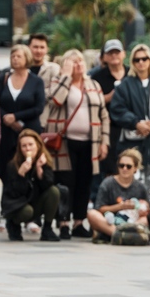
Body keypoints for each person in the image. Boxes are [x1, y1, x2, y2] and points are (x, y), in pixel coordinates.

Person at [45, 48, 110, 239]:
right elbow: (56, 100)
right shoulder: (58, 82)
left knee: (84, 184)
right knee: (66, 184)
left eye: (80, 61)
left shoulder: (93, 84)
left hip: (90, 142)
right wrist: (65, 76)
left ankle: (79, 222)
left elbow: (103, 115)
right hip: (64, 142)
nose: (79, 65)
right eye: (73, 62)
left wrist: (104, 142)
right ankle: (63, 222)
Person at [108, 42, 150, 198]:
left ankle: (145, 215)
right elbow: (117, 109)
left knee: (149, 185)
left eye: (144, 59)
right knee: (130, 182)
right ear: (132, 62)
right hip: (131, 143)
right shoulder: (124, 86)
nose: (141, 62)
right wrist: (136, 123)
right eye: (137, 60)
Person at [0, 44, 46, 180]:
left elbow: (39, 107)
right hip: (6, 132)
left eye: (19, 56)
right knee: (5, 171)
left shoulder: (36, 81)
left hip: (29, 130)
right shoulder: (4, 78)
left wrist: (16, 117)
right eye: (13, 56)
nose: (15, 59)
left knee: (29, 170)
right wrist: (7, 119)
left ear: (27, 58)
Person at [0, 129, 60, 242]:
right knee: (27, 211)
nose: (28, 149)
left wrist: (39, 170)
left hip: (35, 203)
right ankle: (13, 224)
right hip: (17, 206)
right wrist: (21, 174)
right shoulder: (13, 165)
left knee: (54, 191)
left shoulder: (44, 161)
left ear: (37, 145)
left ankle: (47, 229)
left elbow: (48, 185)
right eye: (24, 146)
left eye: (30, 145)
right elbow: (13, 193)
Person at [87, 147, 150, 243]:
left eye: (128, 166)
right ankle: (120, 234)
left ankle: (117, 235)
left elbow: (147, 210)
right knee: (91, 214)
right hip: (109, 222)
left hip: (132, 221)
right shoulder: (108, 183)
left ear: (135, 168)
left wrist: (141, 209)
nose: (124, 169)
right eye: (121, 166)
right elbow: (99, 208)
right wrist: (120, 207)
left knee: (145, 220)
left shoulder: (140, 187)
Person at [89, 39, 128, 185]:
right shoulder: (97, 77)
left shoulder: (131, 73)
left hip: (130, 127)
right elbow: (92, 102)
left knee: (129, 162)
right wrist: (108, 98)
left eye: (117, 52)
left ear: (123, 54)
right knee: (108, 167)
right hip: (107, 128)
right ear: (104, 57)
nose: (114, 56)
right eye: (110, 53)